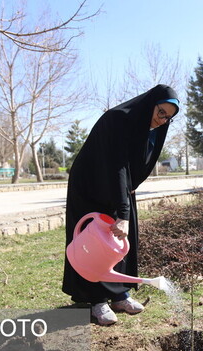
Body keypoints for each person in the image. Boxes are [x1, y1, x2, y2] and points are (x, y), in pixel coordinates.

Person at [62, 84, 179, 325]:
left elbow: (135, 167)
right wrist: (122, 212)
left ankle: (118, 293)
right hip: (91, 187)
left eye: (169, 118)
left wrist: (125, 202)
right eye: (161, 113)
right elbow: (117, 165)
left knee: (120, 240)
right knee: (94, 241)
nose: (163, 120)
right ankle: (96, 300)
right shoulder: (117, 119)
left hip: (120, 187)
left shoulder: (149, 128)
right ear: (150, 104)